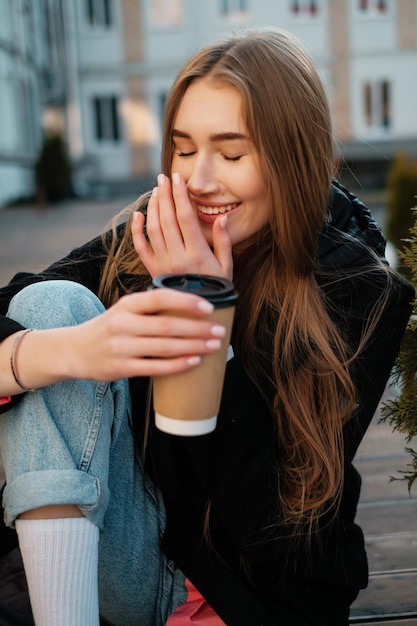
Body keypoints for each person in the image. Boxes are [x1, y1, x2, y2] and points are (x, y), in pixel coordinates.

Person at [0, 26, 414, 626]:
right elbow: (21, 310)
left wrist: (205, 319)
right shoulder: (151, 233)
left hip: (247, 586)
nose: (198, 179)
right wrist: (72, 352)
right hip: (133, 552)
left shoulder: (359, 291)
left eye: (232, 151)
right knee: (50, 309)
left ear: (292, 156)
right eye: (183, 148)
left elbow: (273, 524)